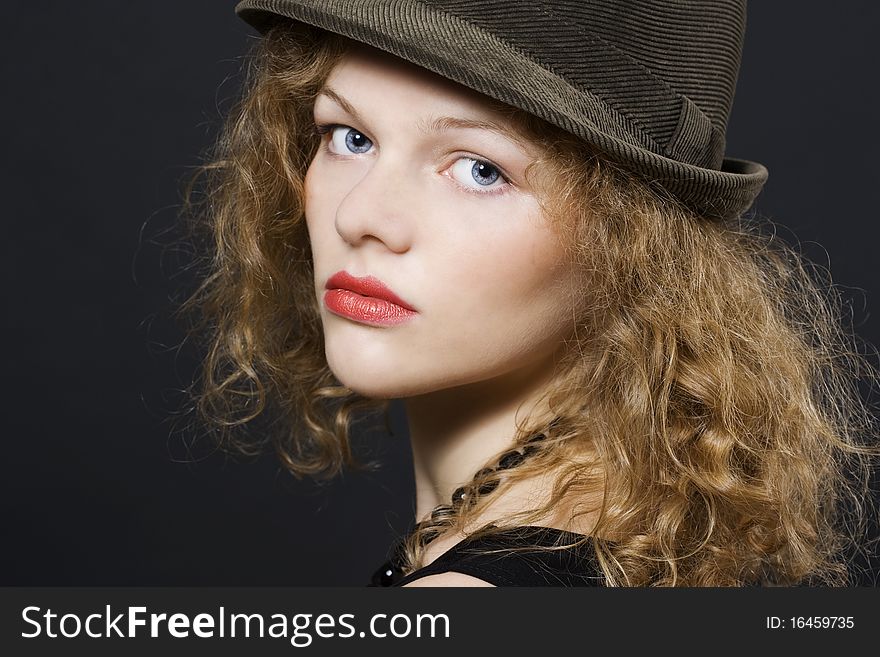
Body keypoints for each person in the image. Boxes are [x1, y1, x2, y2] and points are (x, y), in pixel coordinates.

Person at [181, 0, 879, 586]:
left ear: (634, 242)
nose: (360, 216)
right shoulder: (630, 533)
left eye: (481, 168)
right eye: (350, 137)